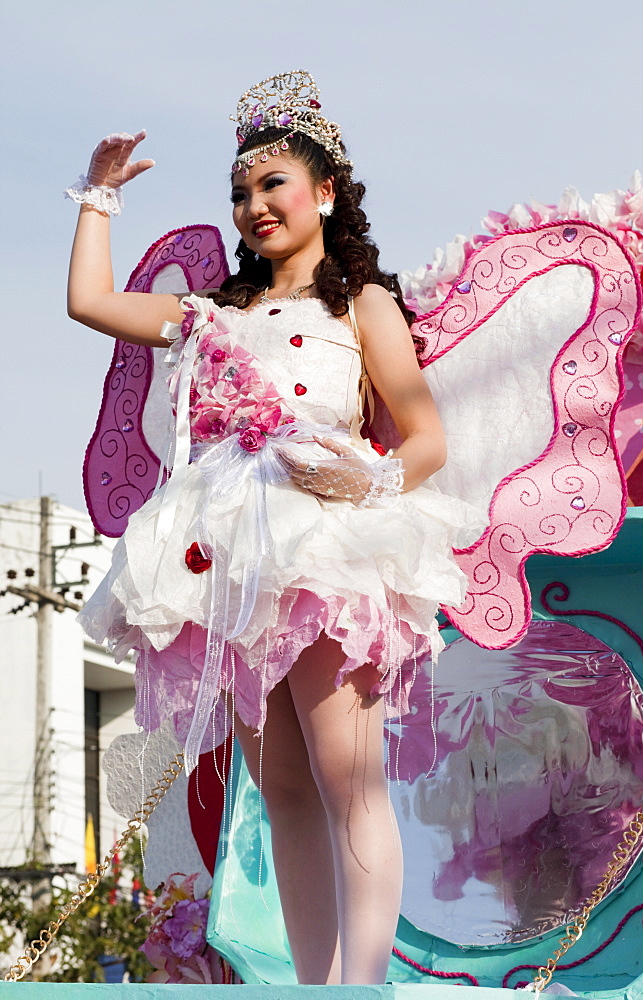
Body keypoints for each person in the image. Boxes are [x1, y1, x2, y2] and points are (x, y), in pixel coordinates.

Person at [67, 71, 479, 985]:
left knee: (347, 777)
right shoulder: (213, 315)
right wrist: (99, 197)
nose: (254, 207)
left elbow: (427, 440)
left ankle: (361, 986)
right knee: (282, 787)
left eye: (273, 185)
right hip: (229, 561)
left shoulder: (362, 306)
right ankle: (311, 981)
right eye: (240, 194)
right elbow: (91, 304)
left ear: (325, 192)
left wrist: (364, 479)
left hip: (329, 545)